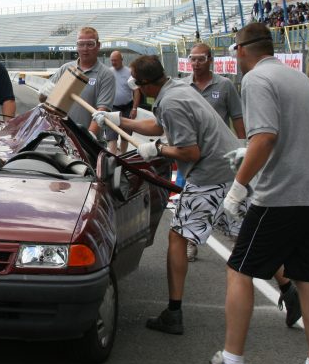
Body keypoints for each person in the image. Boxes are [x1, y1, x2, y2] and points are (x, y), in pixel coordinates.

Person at [187, 23, 309, 364]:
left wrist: (239, 186)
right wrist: (251, 148)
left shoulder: (255, 81)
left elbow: (266, 136)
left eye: (233, 49)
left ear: (242, 50)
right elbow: (285, 134)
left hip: (283, 194)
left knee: (239, 270)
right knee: (307, 277)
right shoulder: (297, 77)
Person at [95, 55, 242, 337]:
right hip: (228, 169)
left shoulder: (172, 102)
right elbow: (158, 127)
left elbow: (189, 152)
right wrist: (120, 120)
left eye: (137, 84)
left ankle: (173, 313)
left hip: (208, 175)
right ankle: (289, 289)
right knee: (244, 234)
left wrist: (157, 150)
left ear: (147, 84)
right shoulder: (174, 89)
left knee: (177, 236)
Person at [184, 42, 246, 263]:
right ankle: (191, 242)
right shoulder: (184, 87)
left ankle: (240, 245)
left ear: (210, 60)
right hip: (194, 155)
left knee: (231, 200)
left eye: (201, 59)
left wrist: (242, 146)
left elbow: (237, 117)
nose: (196, 63)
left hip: (224, 155)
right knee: (193, 200)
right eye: (193, 59)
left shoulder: (225, 85)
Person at [38, 27, 114, 135]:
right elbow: (43, 100)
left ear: (98, 46)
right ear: (77, 46)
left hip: (87, 142)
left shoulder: (106, 75)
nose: (85, 48)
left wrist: (89, 139)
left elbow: (101, 112)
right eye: (81, 44)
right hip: (61, 138)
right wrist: (44, 93)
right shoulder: (66, 69)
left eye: (90, 44)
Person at [106, 50, 134, 153]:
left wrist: (134, 108)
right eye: (112, 60)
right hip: (113, 107)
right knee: (111, 135)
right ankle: (112, 157)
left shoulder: (129, 72)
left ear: (121, 60)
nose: (113, 62)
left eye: (116, 60)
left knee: (125, 135)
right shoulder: (108, 72)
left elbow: (136, 91)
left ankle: (123, 156)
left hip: (127, 107)